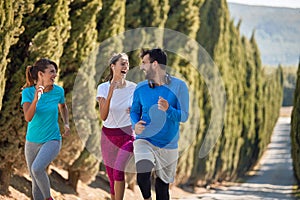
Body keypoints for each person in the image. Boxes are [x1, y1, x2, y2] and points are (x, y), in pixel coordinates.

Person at [130, 48, 189, 200]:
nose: (141, 67)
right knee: (142, 175)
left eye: (144, 63)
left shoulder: (179, 86)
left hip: (168, 144)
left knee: (162, 189)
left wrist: (168, 109)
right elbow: (134, 111)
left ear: (155, 64)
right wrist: (135, 124)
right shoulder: (141, 88)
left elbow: (183, 116)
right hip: (145, 139)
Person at [21, 58, 70, 200]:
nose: (55, 75)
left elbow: (63, 106)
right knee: (35, 182)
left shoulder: (58, 91)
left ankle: (49, 198)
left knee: (37, 169)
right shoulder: (28, 93)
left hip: (52, 139)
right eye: (52, 72)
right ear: (41, 74)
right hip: (32, 142)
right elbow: (28, 118)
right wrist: (36, 98)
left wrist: (66, 123)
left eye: (55, 72)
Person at [96, 53, 136, 200]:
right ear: (113, 66)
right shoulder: (102, 88)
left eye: (127, 64)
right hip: (108, 136)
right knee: (112, 177)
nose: (126, 66)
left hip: (127, 136)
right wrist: (111, 90)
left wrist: (136, 112)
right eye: (122, 64)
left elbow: (142, 111)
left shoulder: (134, 88)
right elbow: (103, 116)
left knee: (118, 170)